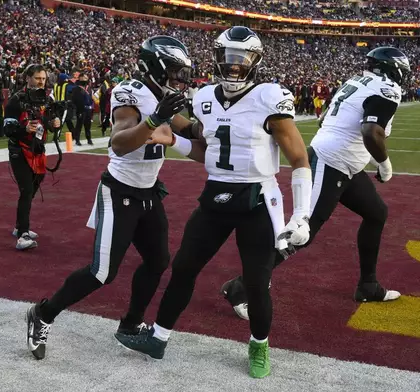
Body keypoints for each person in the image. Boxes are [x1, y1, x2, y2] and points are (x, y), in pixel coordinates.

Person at [114, 26, 312, 379]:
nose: (234, 67)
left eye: (241, 60)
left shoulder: (269, 97)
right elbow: (208, 152)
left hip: (257, 198)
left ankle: (259, 345)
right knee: (184, 268)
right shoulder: (205, 97)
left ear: (255, 62)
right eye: (228, 59)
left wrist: (301, 214)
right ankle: (158, 338)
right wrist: (173, 139)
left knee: (256, 282)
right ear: (217, 58)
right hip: (216, 196)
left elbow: (299, 158)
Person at [24, 36, 193, 361]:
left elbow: (189, 128)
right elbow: (118, 142)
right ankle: (43, 314)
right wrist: (155, 120)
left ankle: (130, 325)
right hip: (120, 191)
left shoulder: (161, 96)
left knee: (158, 260)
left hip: (148, 191)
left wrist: (223, 129)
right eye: (173, 71)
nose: (178, 78)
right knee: (102, 273)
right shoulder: (130, 92)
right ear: (154, 68)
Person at [220, 47, 407, 320]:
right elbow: (371, 131)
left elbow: (324, 120)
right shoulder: (386, 88)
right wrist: (384, 163)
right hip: (330, 163)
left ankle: (368, 285)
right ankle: (239, 288)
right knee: (301, 233)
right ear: (396, 70)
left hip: (344, 166)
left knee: (377, 213)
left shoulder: (355, 82)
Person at [3, 64, 61, 250]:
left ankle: (21, 224)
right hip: (19, 149)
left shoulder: (47, 99)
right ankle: (23, 234)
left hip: (38, 149)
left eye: (43, 79)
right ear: (27, 78)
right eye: (38, 78)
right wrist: (23, 128)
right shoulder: (16, 100)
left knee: (36, 183)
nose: (41, 82)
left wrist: (55, 123)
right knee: (26, 189)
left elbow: (50, 123)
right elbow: (7, 128)